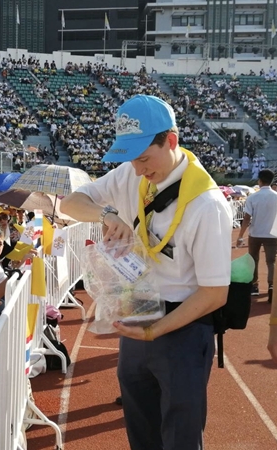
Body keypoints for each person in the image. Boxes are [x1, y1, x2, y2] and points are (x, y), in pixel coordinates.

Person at [61, 94, 232, 450]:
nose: (138, 170)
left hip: (182, 327)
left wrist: (156, 330)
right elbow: (71, 203)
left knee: (181, 436)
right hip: (136, 315)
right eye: (131, 159)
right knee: (140, 429)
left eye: (143, 158)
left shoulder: (207, 205)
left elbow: (214, 293)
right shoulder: (130, 173)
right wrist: (107, 215)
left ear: (171, 141)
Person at [237, 169, 277, 301]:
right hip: (273, 234)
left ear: (260, 181)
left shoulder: (252, 197)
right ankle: (272, 285)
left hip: (255, 233)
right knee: (271, 261)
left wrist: (240, 235)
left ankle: (254, 286)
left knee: (253, 260)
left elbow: (246, 218)